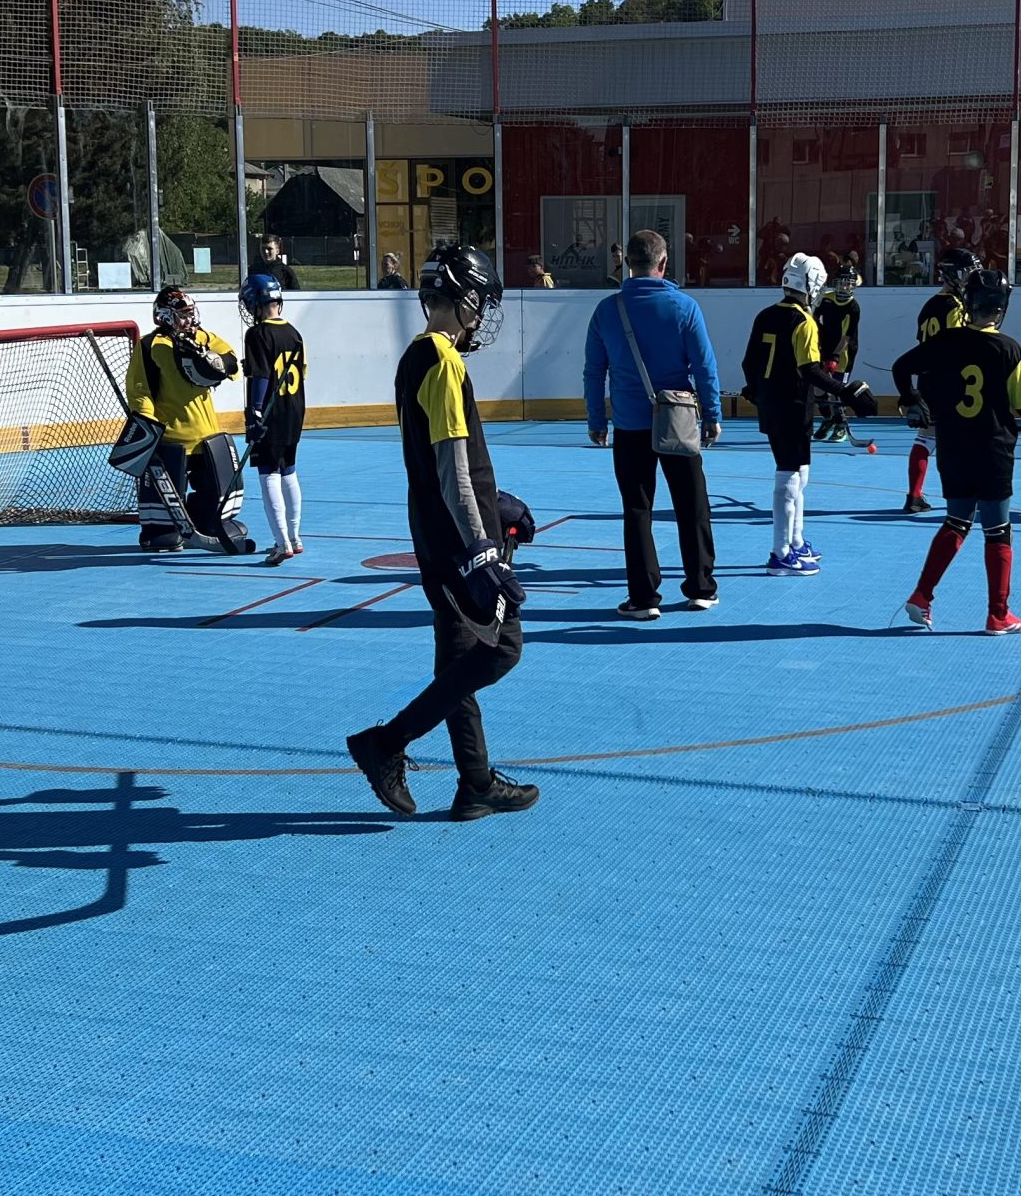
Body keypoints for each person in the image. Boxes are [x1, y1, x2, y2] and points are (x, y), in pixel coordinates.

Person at [343, 243, 538, 823]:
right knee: (502, 650)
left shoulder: (415, 356)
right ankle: (387, 742)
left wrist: (496, 502)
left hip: (435, 532)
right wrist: (481, 550)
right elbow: (453, 468)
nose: (483, 315)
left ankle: (475, 783)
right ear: (465, 298)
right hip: (457, 543)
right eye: (482, 302)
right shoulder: (446, 363)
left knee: (458, 658)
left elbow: (440, 463)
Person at [892, 270, 1021, 635]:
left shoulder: (946, 341)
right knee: (997, 529)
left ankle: (922, 595)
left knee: (956, 521)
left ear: (968, 304)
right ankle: (998, 614)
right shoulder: (1009, 350)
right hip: (992, 450)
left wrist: (911, 399)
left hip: (953, 447)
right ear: (1002, 308)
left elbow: (901, 367)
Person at [583, 229, 723, 620]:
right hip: (677, 420)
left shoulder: (608, 310)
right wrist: (712, 414)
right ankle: (701, 587)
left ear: (627, 262)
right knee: (692, 504)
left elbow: (594, 371)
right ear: (663, 262)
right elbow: (704, 366)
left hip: (630, 424)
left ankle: (644, 598)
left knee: (637, 510)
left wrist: (597, 419)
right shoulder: (684, 307)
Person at [742, 253, 877, 576]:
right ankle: (780, 552)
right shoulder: (804, 321)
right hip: (792, 405)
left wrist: (757, 391)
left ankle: (796, 540)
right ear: (813, 284)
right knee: (789, 476)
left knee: (800, 473)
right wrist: (845, 392)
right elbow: (810, 371)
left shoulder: (765, 315)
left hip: (774, 405)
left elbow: (749, 363)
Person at [124, 286, 256, 554]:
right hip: (170, 437)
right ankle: (160, 532)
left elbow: (232, 364)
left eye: (191, 313)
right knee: (165, 492)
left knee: (214, 487)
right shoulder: (150, 346)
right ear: (165, 315)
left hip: (205, 434)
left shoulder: (203, 337)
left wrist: (211, 358)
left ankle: (206, 521)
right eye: (183, 314)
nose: (190, 319)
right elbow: (139, 390)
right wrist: (149, 428)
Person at [901, 246, 978, 513]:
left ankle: (914, 495)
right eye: (966, 272)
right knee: (967, 439)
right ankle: (969, 494)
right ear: (951, 274)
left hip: (927, 380)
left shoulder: (929, 305)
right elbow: (958, 346)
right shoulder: (955, 306)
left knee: (926, 438)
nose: (971, 277)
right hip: (950, 381)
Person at [238, 273, 307, 566]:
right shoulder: (293, 332)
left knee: (268, 472)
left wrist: (255, 410)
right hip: (294, 409)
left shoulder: (257, 334)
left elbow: (262, 375)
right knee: (289, 470)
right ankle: (295, 536)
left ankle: (282, 543)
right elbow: (302, 372)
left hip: (271, 412)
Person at [811, 257, 872, 451]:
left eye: (848, 283)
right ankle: (828, 419)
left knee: (835, 390)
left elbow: (846, 336)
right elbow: (813, 319)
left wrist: (835, 357)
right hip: (823, 348)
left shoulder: (853, 307)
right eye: (841, 282)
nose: (844, 286)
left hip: (844, 352)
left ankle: (840, 426)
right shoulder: (827, 299)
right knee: (818, 388)